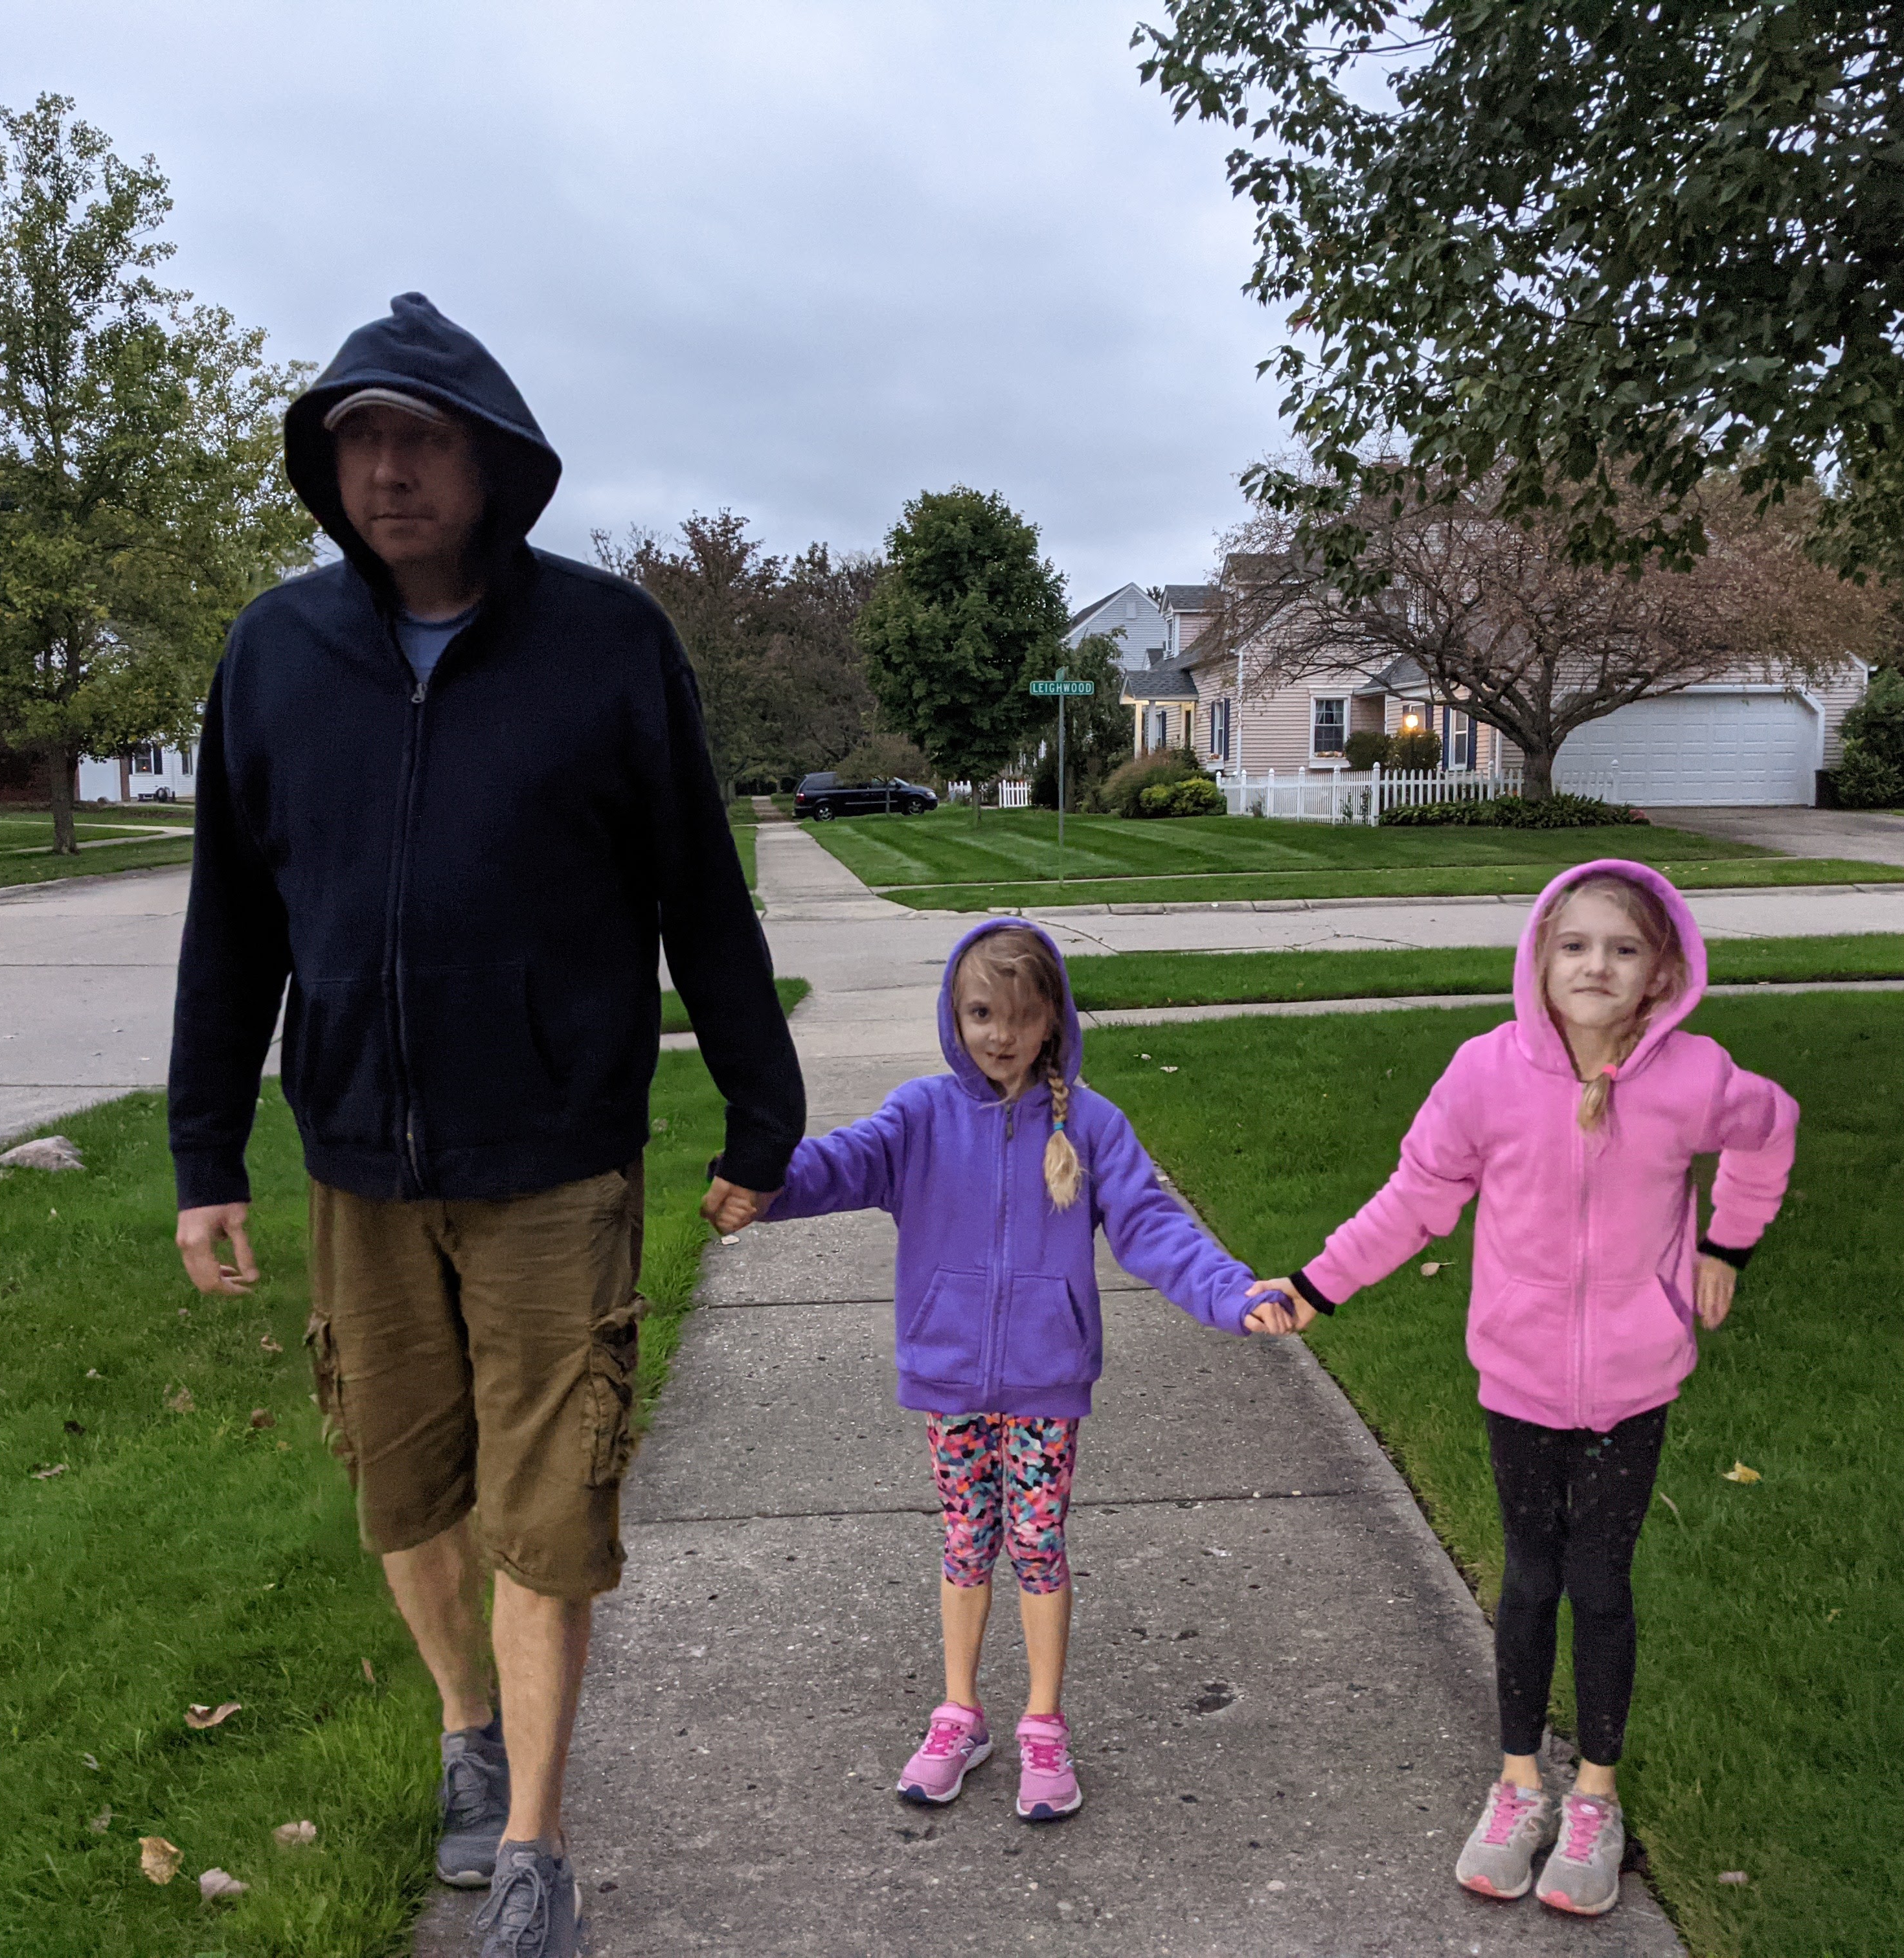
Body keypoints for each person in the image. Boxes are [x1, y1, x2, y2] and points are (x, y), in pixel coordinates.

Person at [168, 293, 801, 1958]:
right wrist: (204, 1155)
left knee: (548, 1503)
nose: (388, 471)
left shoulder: (606, 643)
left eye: (422, 438)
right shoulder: (274, 655)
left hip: (554, 1156)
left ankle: (533, 1843)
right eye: (360, 440)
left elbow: (699, 892)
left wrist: (764, 1109)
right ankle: (469, 1726)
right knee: (404, 1486)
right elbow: (232, 920)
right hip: (358, 1159)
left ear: (492, 461)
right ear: (328, 467)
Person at [1254, 861, 1796, 1917]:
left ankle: (1595, 1797)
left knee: (1602, 1583)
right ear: (1540, 961)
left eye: (1624, 949)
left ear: (1662, 974)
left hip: (1635, 1381)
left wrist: (1728, 1243)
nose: (1597, 966)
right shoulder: (1485, 1075)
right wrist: (1318, 1286)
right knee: (1531, 1578)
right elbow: (1415, 1198)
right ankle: (1518, 1786)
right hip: (1519, 1377)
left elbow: (1770, 1129)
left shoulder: (1695, 1078)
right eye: (1576, 945)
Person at [704, 919, 1300, 1821]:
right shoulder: (921, 1117)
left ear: (1053, 1019)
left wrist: (1229, 1293)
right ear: (955, 1014)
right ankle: (960, 1715)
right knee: (965, 1538)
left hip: (1044, 1383)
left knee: (1037, 1542)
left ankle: (1043, 1724)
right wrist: (760, 1180)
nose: (1001, 1034)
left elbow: (1153, 1228)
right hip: (949, 1378)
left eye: (1022, 1015)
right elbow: (841, 1163)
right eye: (982, 1013)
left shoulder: (1093, 1126)